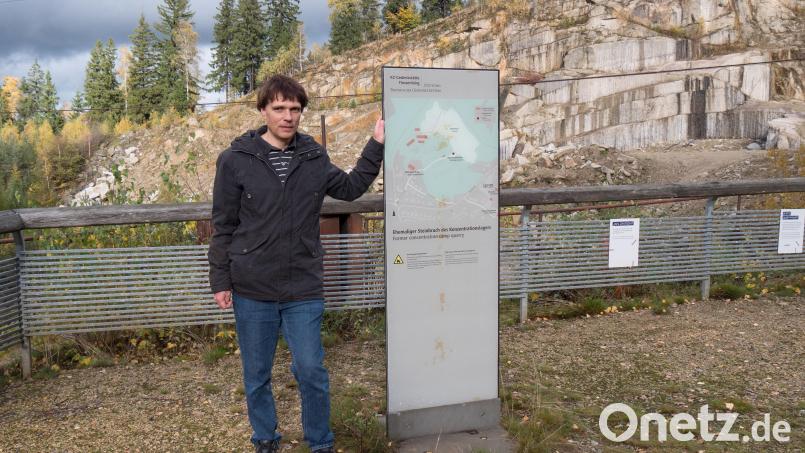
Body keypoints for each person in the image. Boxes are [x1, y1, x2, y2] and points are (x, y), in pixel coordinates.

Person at [208, 74, 384, 453]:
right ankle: (265, 438)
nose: (288, 116)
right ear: (263, 111)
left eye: (295, 109)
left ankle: (320, 443)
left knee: (311, 370)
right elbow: (223, 226)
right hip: (252, 287)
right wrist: (220, 280)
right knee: (256, 375)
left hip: (303, 286)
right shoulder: (235, 160)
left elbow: (352, 189)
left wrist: (377, 143)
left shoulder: (313, 157)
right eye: (279, 108)